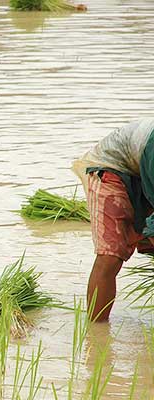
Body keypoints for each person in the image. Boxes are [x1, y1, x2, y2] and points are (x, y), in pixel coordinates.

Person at [72, 118, 154, 321]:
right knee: (110, 256)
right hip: (111, 167)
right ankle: (96, 334)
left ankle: (141, 237)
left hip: (142, 169)